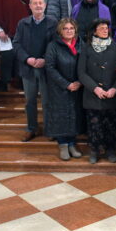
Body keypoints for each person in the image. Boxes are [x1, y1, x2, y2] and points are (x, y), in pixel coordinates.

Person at [78, 19, 116, 163]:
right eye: (102, 28)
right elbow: (81, 73)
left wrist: (115, 88)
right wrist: (95, 88)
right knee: (94, 125)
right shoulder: (86, 48)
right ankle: (94, 150)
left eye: (107, 28)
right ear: (95, 31)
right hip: (93, 95)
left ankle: (111, 150)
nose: (105, 30)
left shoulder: (115, 46)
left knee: (111, 125)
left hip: (111, 95)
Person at [13, 0, 57, 142]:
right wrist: (28, 59)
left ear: (45, 6)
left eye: (40, 3)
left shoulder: (53, 22)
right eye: (35, 3)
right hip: (29, 68)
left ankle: (49, 128)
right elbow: (16, 44)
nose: (38, 6)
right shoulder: (22, 23)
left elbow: (56, 45)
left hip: (46, 68)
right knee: (30, 100)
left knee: (47, 101)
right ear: (30, 6)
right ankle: (31, 128)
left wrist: (45, 59)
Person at [45, 18, 84, 161]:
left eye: (71, 28)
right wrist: (66, 84)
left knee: (74, 115)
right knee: (61, 116)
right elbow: (50, 67)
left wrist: (80, 81)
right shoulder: (53, 46)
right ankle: (63, 145)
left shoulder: (81, 44)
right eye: (66, 28)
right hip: (59, 87)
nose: (69, 31)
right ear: (60, 31)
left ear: (75, 30)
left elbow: (86, 64)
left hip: (77, 86)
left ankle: (72, 144)